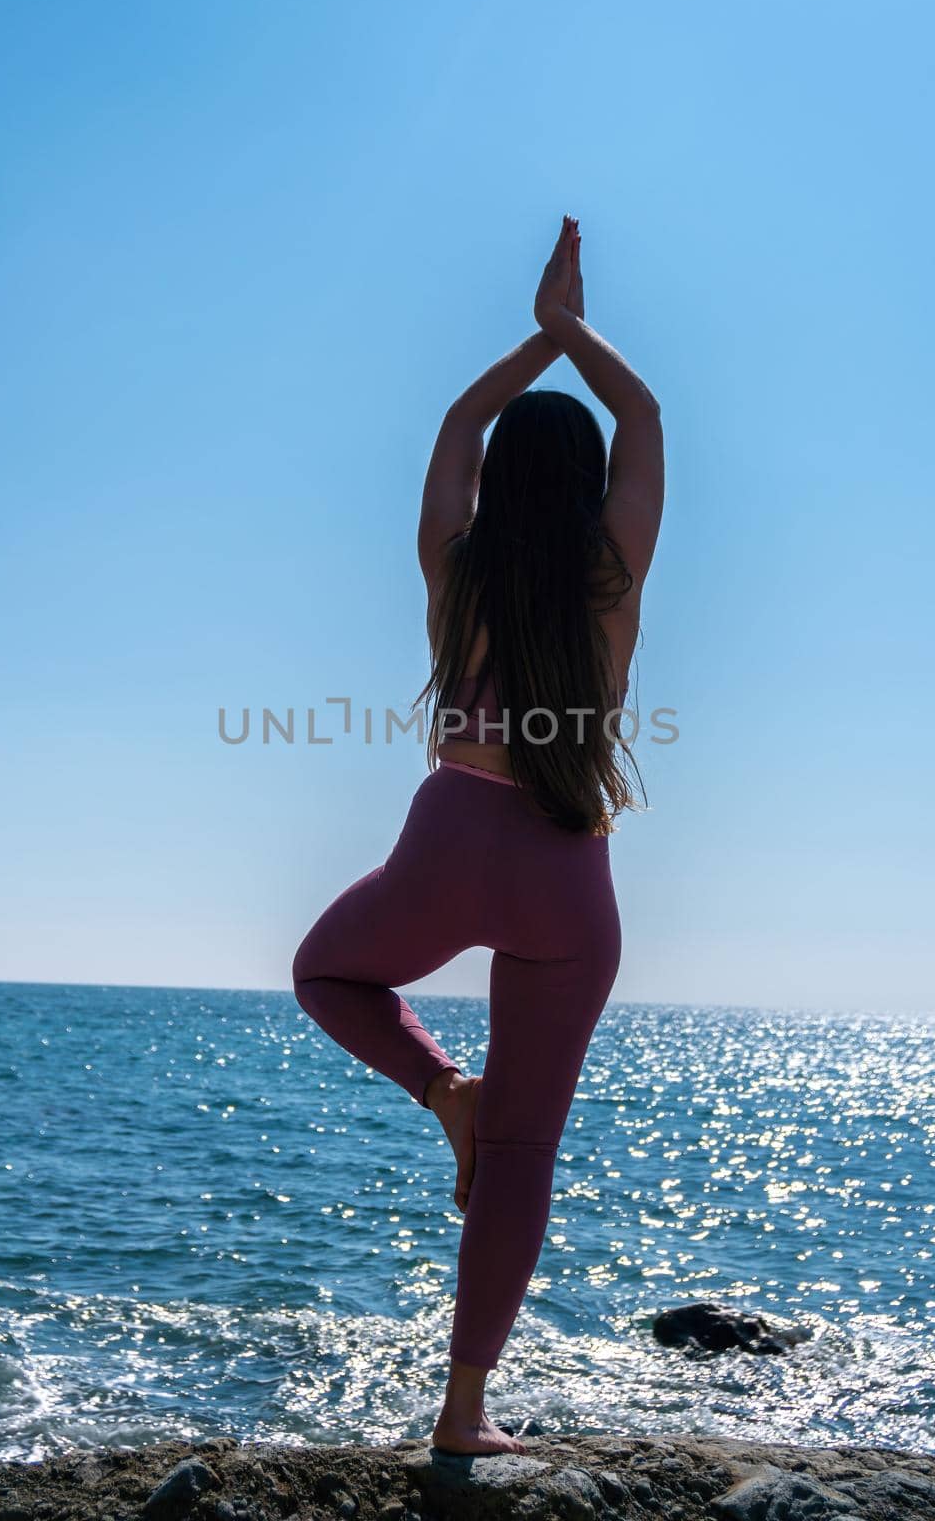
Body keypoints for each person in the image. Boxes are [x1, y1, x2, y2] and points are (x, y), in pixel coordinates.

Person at [291, 215, 664, 1455]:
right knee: (522, 1154)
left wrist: (527, 343)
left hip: (449, 836)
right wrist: (573, 330)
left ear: (502, 483)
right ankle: (462, 1415)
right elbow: (645, 421)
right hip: (566, 869)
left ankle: (440, 1088)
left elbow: (457, 426)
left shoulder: (452, 569)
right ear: (590, 490)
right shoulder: (611, 572)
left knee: (325, 971)